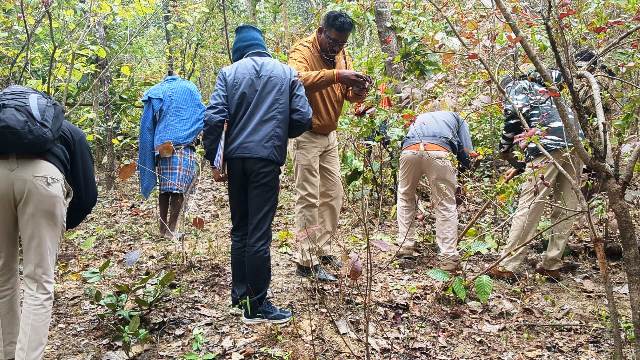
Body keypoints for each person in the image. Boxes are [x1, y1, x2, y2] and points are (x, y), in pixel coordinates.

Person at [203, 25, 312, 324]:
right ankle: (257, 306)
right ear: (263, 45)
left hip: (236, 160)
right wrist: (277, 135)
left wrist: (215, 158)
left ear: (239, 51)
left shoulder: (228, 73)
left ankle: (240, 297)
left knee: (240, 228)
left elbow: (213, 118)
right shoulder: (287, 73)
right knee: (259, 233)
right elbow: (303, 117)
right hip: (265, 161)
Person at [0, 120, 97, 359]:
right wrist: (63, 223)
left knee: (2, 278)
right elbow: (87, 195)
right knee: (38, 282)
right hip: (44, 181)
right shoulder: (65, 128)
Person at [288, 11, 371, 281]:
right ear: (321, 32)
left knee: (333, 196)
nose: (337, 47)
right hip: (306, 134)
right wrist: (337, 75)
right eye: (334, 41)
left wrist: (358, 90)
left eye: (342, 43)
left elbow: (347, 94)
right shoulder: (302, 50)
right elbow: (295, 80)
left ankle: (321, 250)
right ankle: (305, 261)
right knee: (308, 197)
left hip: (329, 136)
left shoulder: (340, 54)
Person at [490, 67, 584, 281]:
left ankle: (507, 264)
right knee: (566, 206)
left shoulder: (517, 87)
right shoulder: (546, 90)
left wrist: (504, 149)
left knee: (530, 205)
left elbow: (513, 116)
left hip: (547, 143)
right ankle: (552, 264)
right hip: (575, 144)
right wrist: (521, 163)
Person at [395, 99, 474, 271]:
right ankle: (448, 256)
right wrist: (463, 178)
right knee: (445, 203)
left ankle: (405, 246)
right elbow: (467, 153)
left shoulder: (420, 117)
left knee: (405, 196)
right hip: (439, 151)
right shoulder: (457, 118)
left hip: (409, 150)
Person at [138, 70, 205, 238]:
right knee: (178, 189)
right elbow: (200, 112)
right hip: (184, 145)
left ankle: (163, 229)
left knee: (165, 188)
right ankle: (170, 229)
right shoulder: (189, 88)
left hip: (162, 145)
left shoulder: (157, 90)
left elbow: (147, 125)